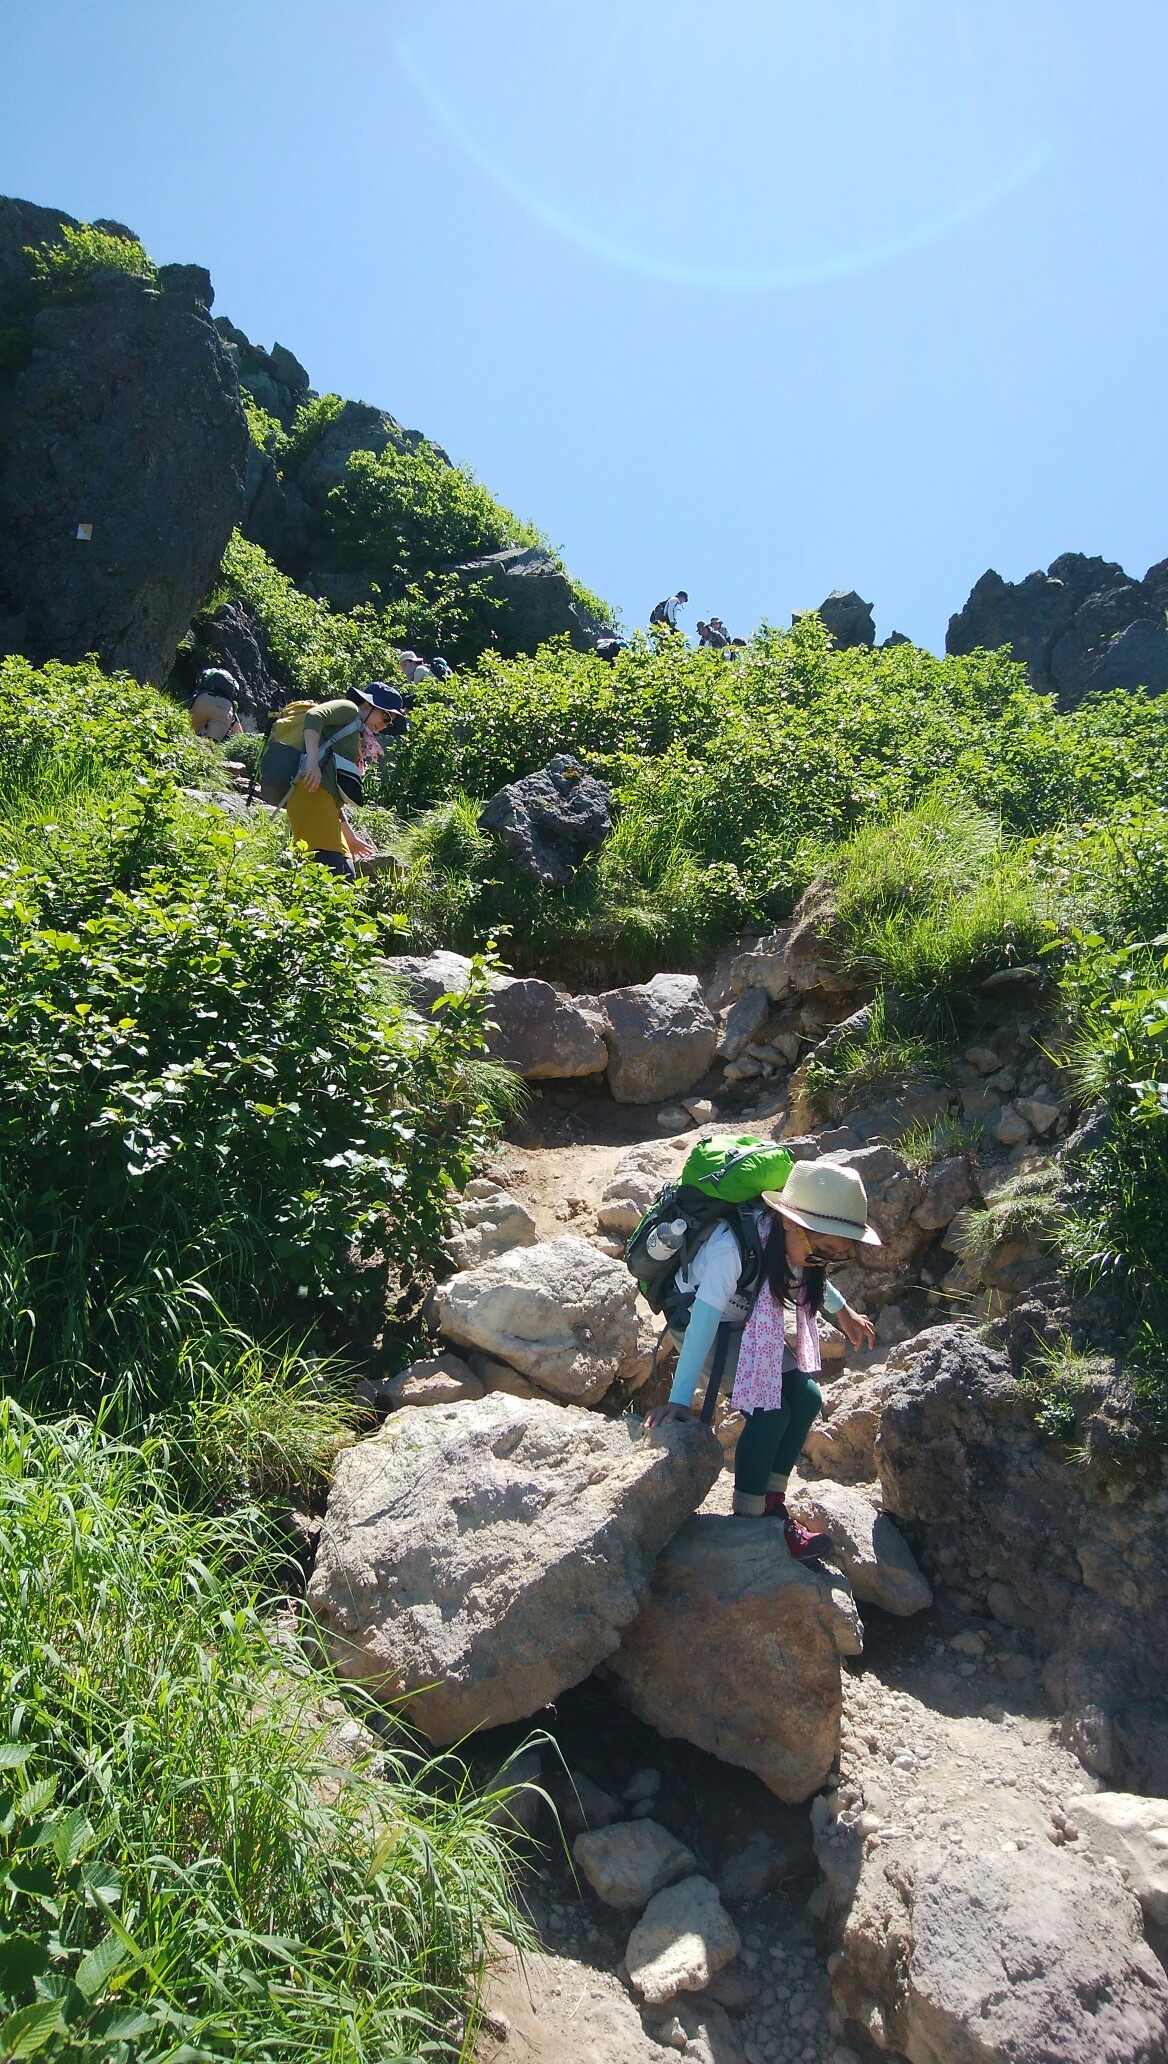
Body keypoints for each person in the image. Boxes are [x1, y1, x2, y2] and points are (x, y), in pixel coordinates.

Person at [645, 1159, 879, 1559]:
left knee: (806, 1399)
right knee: (770, 1412)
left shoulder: (790, 1242)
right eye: (822, 1251)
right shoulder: (730, 1247)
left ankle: (771, 1501)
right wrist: (681, 1399)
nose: (823, 1261)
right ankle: (751, 1519)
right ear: (789, 1221)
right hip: (704, 1322)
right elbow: (703, 1320)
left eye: (835, 1256)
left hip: (746, 1321)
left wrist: (842, 1312)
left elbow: (806, 1269)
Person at [285, 681, 404, 878]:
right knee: (329, 876)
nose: (385, 725)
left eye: (390, 722)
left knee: (347, 878)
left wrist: (351, 838)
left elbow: (334, 794)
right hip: (310, 798)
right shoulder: (350, 710)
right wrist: (312, 761)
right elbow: (314, 716)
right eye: (385, 716)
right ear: (367, 704)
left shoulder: (355, 736)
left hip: (326, 806)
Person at [189, 667, 243, 741]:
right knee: (211, 743)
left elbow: (190, 703)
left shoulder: (204, 688)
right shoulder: (230, 702)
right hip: (224, 709)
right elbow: (238, 731)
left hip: (204, 699)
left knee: (188, 732)